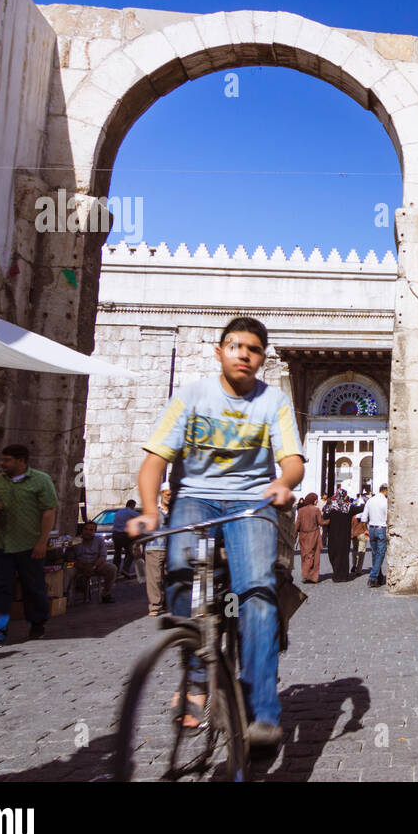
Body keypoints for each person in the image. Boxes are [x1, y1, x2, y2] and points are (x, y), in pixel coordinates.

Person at [128, 316, 304, 749]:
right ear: (219, 351)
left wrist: (283, 484)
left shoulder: (274, 401)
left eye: (254, 349)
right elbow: (154, 462)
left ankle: (263, 710)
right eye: (235, 346)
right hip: (195, 498)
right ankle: (194, 679)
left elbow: (293, 461)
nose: (244, 354)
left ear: (263, 358)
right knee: (180, 577)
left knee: (257, 595)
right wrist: (151, 512)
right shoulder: (191, 396)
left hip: (251, 504)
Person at [0, 445, 58, 649]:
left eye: (7, 460)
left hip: (28, 543)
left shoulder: (41, 480)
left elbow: (49, 511)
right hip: (0, 543)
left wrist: (42, 542)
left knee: (33, 586)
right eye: (2, 460)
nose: (2, 464)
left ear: (21, 461)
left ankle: (37, 623)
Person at [143, 487, 171, 616]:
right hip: (154, 547)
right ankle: (155, 605)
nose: (169, 497)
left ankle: (165, 603)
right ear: (161, 494)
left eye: (171, 494)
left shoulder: (175, 511)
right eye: (167, 494)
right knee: (155, 578)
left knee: (168, 577)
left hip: (170, 548)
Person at [72, 521, 117, 603]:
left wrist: (93, 566)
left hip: (95, 565)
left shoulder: (99, 541)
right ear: (82, 530)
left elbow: (103, 556)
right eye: (86, 529)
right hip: (79, 566)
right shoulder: (76, 540)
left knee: (112, 568)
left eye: (91, 530)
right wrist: (82, 566)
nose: (88, 532)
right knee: (68, 570)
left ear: (94, 531)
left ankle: (105, 593)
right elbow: (71, 557)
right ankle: (67, 595)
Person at [360, 483, 389, 587]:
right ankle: (372, 578)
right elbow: (388, 517)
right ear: (385, 490)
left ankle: (379, 577)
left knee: (375, 553)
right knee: (380, 554)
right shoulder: (385, 502)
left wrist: (365, 530)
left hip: (371, 528)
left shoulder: (370, 500)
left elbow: (363, 518)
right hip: (381, 528)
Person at [323, 489, 354, 582]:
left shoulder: (329, 507)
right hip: (345, 536)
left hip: (333, 535)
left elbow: (324, 517)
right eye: (345, 496)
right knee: (344, 555)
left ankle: (336, 574)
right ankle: (343, 576)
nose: (346, 497)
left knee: (334, 554)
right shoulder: (348, 507)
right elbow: (360, 509)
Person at [296, 492, 325, 583]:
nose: (317, 501)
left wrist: (294, 535)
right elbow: (321, 522)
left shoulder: (301, 510)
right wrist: (329, 521)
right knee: (315, 555)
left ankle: (306, 574)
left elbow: (297, 525)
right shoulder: (316, 510)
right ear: (313, 500)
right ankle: (312, 576)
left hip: (303, 536)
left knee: (305, 555)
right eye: (316, 499)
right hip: (314, 535)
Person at [111, 500, 140, 578]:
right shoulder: (130, 512)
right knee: (130, 553)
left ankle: (115, 571)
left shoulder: (119, 511)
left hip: (115, 534)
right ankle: (125, 569)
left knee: (117, 553)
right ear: (132, 505)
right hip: (124, 535)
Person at [349, 491, 368, 577]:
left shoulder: (353, 515)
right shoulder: (364, 514)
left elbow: (351, 525)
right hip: (362, 533)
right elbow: (365, 523)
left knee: (355, 550)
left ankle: (354, 565)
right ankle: (359, 569)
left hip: (354, 534)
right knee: (361, 551)